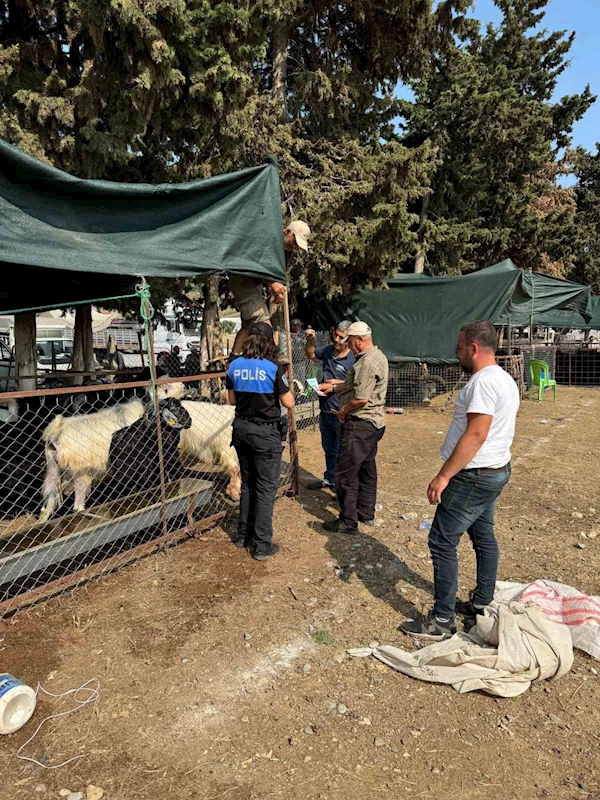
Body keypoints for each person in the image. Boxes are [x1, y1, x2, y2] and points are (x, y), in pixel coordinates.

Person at [400, 321, 520, 642]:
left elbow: (477, 433)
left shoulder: (482, 383)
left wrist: (444, 475)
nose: (456, 354)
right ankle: (482, 602)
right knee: (484, 536)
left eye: (458, 348)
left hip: (474, 475)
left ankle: (442, 620)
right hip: (495, 470)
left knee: (441, 541)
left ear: (474, 348)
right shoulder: (505, 379)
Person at [226, 322, 295, 561]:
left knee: (247, 485)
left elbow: (232, 400)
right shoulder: (272, 368)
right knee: (266, 489)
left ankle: (243, 536)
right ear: (269, 342)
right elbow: (289, 403)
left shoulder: (234, 365)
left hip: (241, 429)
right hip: (265, 434)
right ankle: (263, 545)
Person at [322, 321, 389, 533]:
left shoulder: (366, 363)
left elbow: (361, 398)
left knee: (345, 474)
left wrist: (343, 411)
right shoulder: (377, 356)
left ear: (359, 339)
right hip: (374, 424)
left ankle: (348, 521)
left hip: (360, 424)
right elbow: (358, 385)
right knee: (367, 469)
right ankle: (365, 512)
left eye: (349, 340)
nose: (346, 344)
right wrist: (335, 386)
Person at [229, 220, 311, 359]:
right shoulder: (268, 241)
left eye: (298, 245)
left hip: (255, 283)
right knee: (263, 322)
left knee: (248, 324)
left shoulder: (287, 251)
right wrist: (272, 284)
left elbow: (277, 275)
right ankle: (273, 358)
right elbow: (252, 267)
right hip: (242, 278)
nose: (296, 246)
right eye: (295, 241)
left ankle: (233, 359)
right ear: (286, 232)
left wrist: (277, 292)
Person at [304, 320, 355, 490]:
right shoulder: (327, 350)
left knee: (344, 449)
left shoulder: (354, 357)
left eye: (341, 337)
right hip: (325, 408)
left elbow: (357, 383)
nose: (336, 340)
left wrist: (335, 384)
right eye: (336, 335)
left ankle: (342, 484)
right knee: (329, 446)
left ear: (350, 338)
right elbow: (310, 354)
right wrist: (310, 340)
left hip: (342, 410)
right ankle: (330, 478)